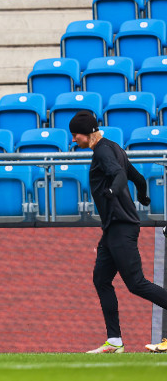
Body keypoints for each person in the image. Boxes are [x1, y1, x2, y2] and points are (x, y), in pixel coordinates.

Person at [68, 111, 167, 354]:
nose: (73, 139)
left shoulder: (103, 151)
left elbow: (120, 175)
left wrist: (112, 192)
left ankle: (115, 340)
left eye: (75, 134)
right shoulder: (113, 147)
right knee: (101, 280)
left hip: (121, 226)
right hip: (113, 228)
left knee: (136, 283)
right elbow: (137, 177)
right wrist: (143, 196)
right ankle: (114, 340)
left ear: (87, 133)